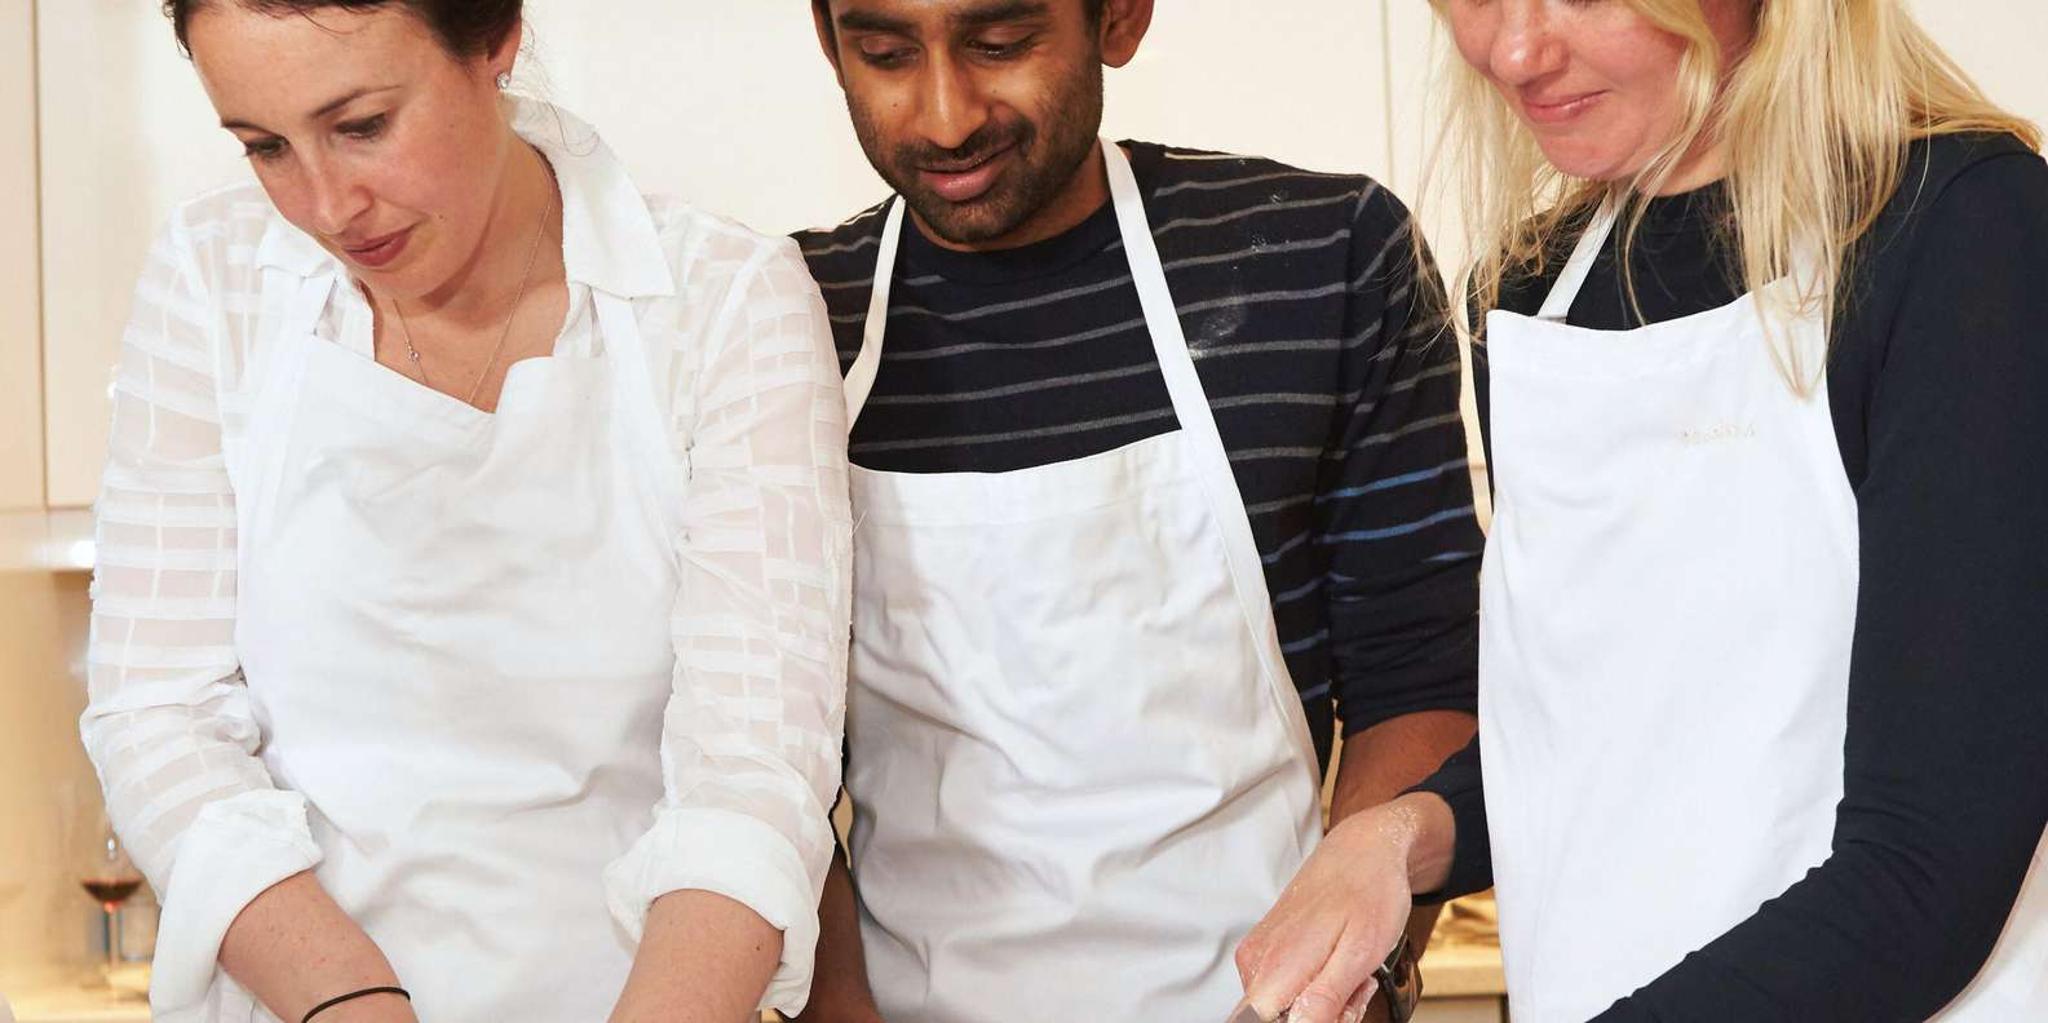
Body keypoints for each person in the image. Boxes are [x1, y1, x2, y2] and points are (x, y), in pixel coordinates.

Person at [1236, 1, 2048, 1021]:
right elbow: (1595, 740)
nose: (1515, 52)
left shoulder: (1966, 230)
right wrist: (1399, 837)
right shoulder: (1529, 293)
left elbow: (1926, 872)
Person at [79, 2, 852, 1021]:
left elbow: (751, 777)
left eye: (362, 126)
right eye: (266, 147)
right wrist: (353, 1002)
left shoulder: (721, 300)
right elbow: (155, 716)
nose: (327, 206)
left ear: (495, 38)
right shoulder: (212, 278)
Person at [792, 2, 1484, 1021]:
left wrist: (1340, 987)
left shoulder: (1321, 259)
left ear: (1117, 17)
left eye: (999, 44)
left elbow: (1417, 676)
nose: (944, 117)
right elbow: (764, 769)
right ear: (827, 39)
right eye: (885, 54)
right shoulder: (792, 318)